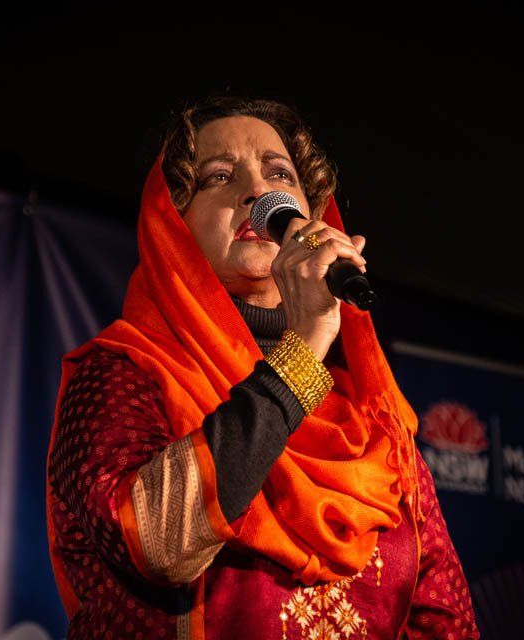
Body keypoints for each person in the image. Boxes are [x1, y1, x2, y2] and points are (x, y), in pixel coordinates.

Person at [46, 96, 480, 640]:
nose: (258, 193)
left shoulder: (375, 421)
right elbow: (156, 542)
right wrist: (301, 350)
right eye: (218, 177)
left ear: (316, 218)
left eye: (280, 175)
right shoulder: (124, 375)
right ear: (172, 224)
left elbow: (446, 619)